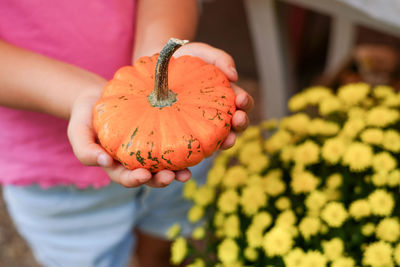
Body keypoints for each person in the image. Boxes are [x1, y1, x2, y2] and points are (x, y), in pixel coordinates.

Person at [0, 0, 254, 266]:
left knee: (168, 238)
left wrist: (155, 56)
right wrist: (83, 96)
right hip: (52, 178)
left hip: (182, 148)